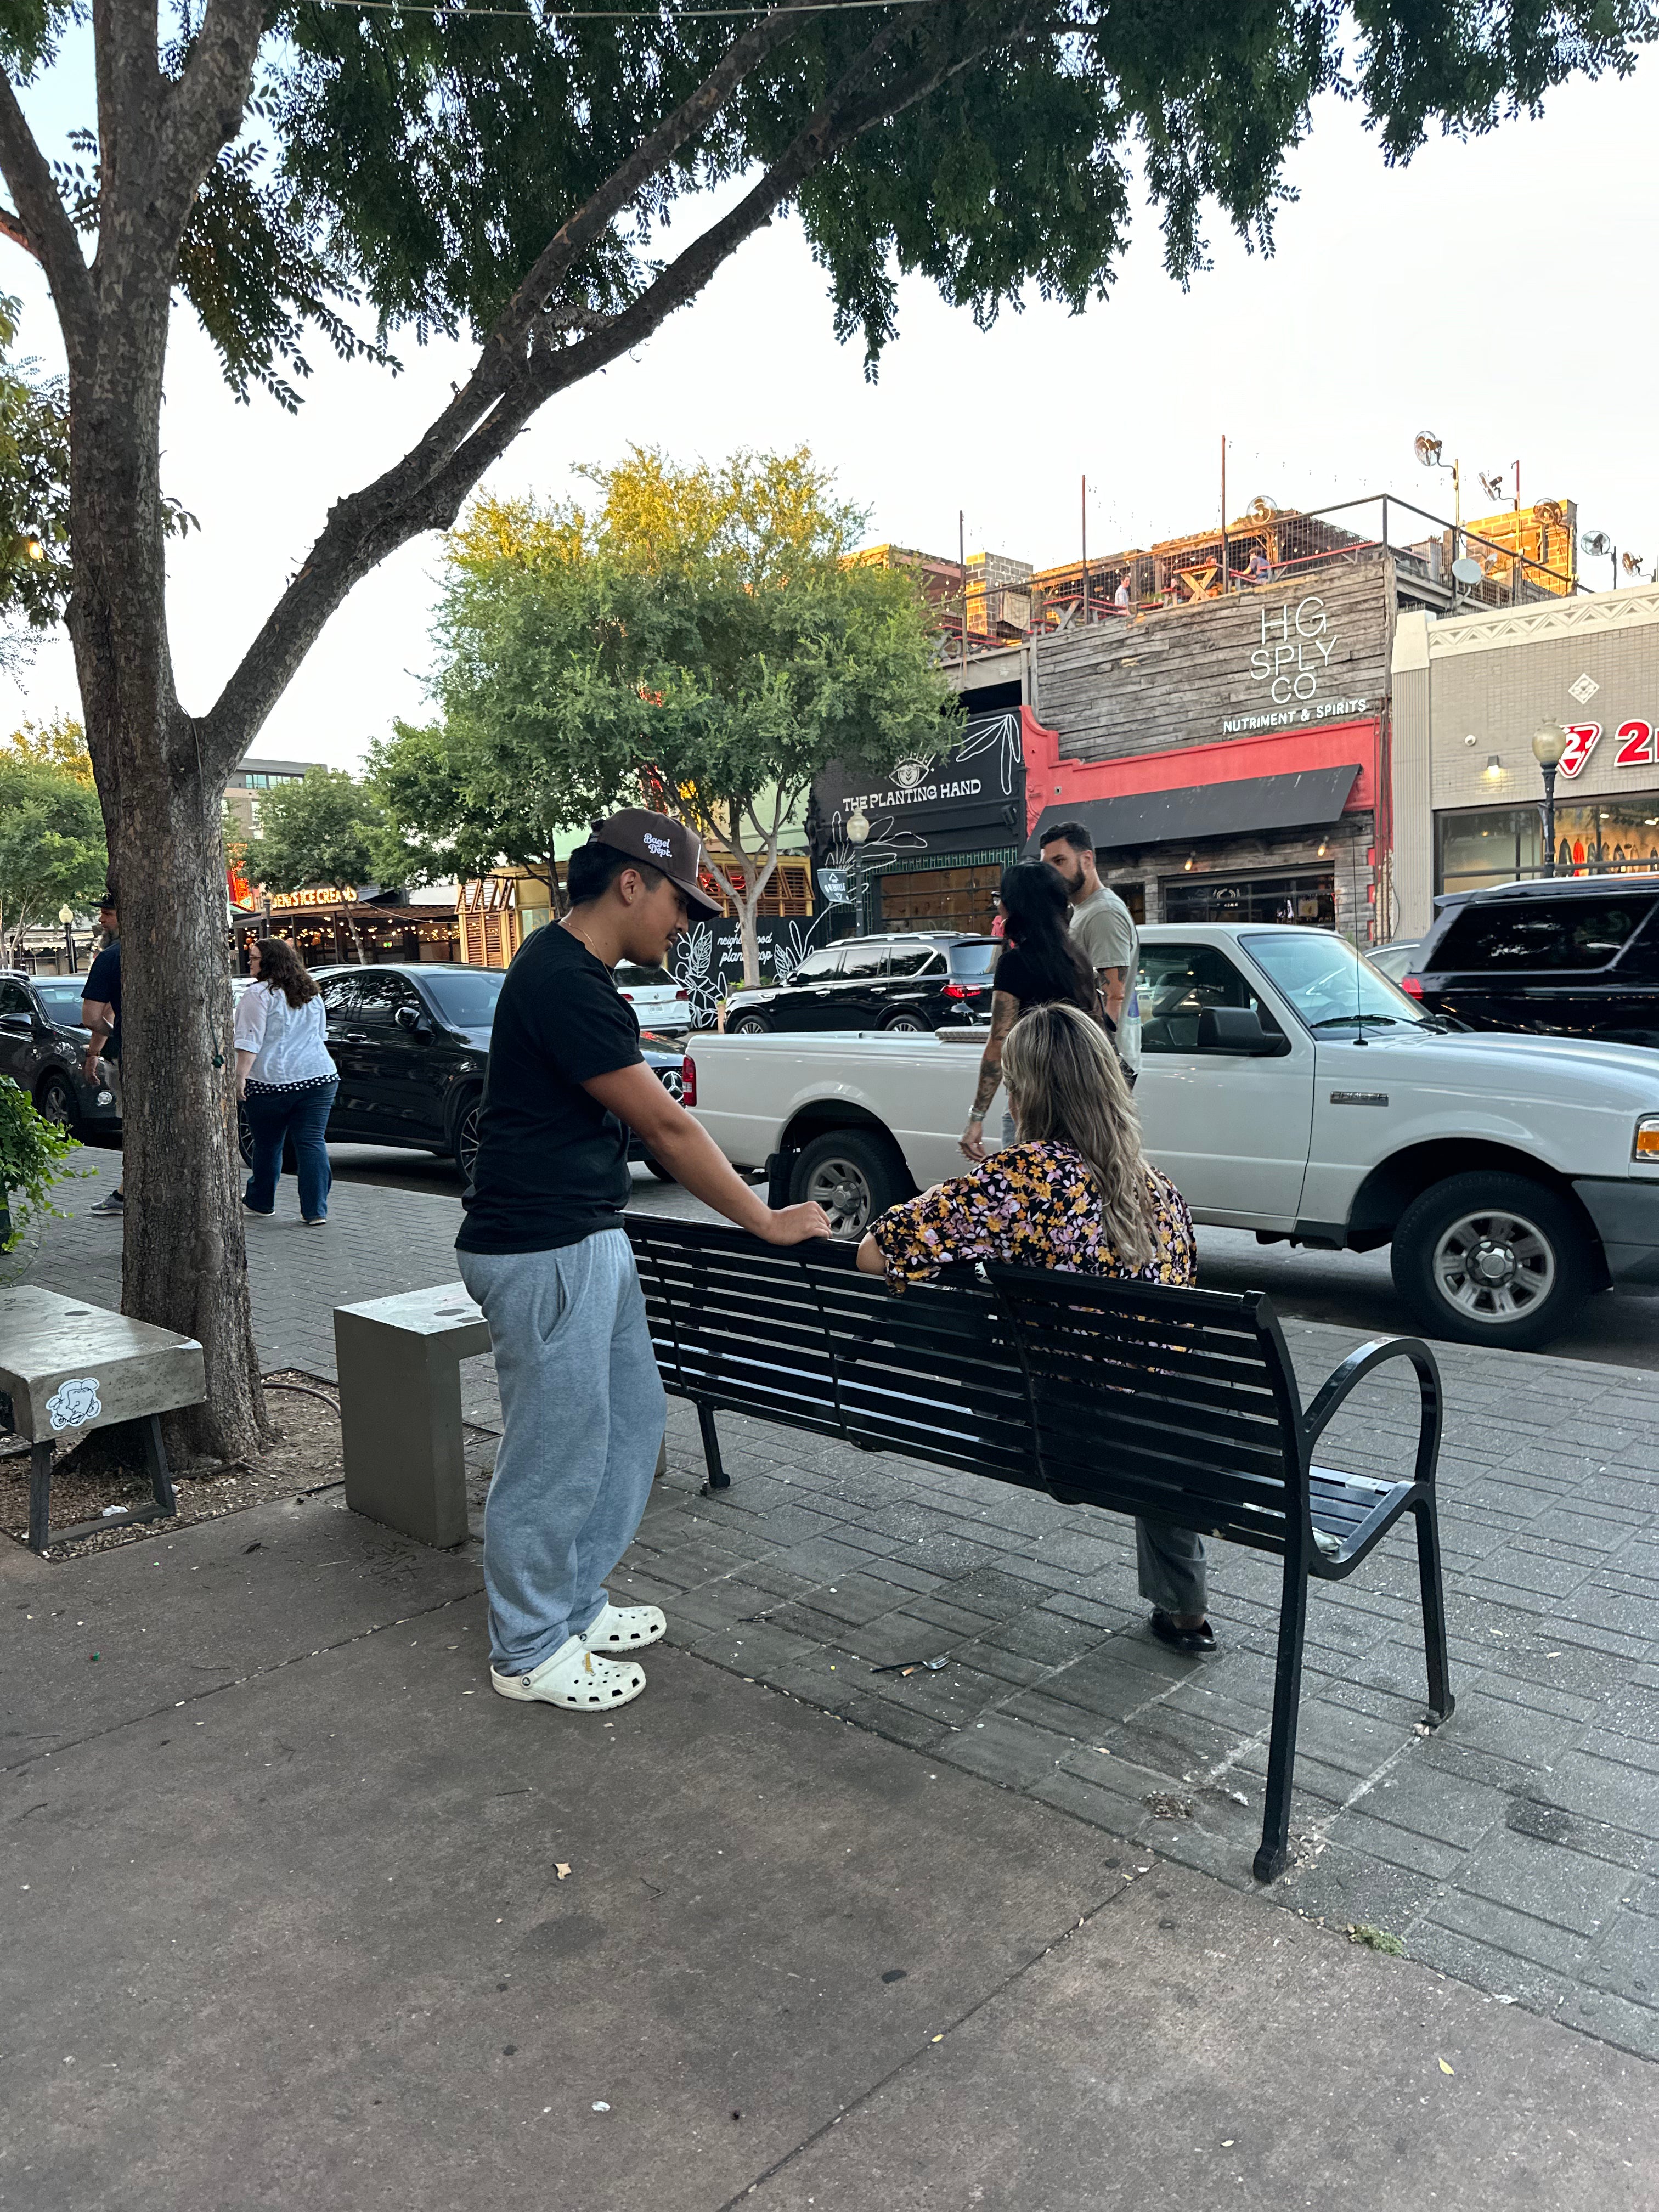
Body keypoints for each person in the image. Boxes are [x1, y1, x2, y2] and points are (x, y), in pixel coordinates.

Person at [455, 807, 830, 1718]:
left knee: (625, 1431)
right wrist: (764, 1219)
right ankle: (529, 1647)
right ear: (630, 881)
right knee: (556, 1453)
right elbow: (665, 1129)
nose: (687, 923)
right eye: (680, 902)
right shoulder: (562, 979)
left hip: (583, 1236)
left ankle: (570, 1605)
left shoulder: (573, 977)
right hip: (542, 1246)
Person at [858, 1001, 1215, 1654]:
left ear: (1022, 1094)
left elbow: (875, 1253)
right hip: (1157, 1445)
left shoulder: (1014, 1182)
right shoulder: (1160, 1191)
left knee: (953, 1296)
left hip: (1046, 1436)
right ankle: (1186, 1614)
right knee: (1154, 1382)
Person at [961, 861, 1098, 1164]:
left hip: (1031, 1104)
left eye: (1001, 899)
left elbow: (999, 1041)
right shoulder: (1078, 959)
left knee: (1030, 1194)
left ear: (1013, 907)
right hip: (1084, 1100)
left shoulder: (1015, 964)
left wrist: (976, 1117)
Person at [234, 937, 338, 1226]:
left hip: (271, 1080)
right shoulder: (310, 992)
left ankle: (261, 1201)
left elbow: (249, 1040)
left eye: (254, 958)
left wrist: (239, 1077)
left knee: (267, 1145)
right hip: (319, 1077)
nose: (250, 963)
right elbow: (320, 1035)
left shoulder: (258, 994)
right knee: (312, 1142)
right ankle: (316, 1210)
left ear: (268, 963)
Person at [1039, 821, 1141, 1086]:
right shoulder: (1084, 910)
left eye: (1060, 861)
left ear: (1087, 860)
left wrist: (1089, 1065)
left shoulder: (1102, 913)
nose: (1053, 873)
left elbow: (1114, 996)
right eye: (1048, 866)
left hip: (1098, 1065)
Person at [81, 888, 124, 1217]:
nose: (101, 918)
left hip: (127, 1057)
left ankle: (126, 1192)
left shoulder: (110, 958)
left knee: (134, 1125)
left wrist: (110, 1040)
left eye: (108, 912)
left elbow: (94, 1017)